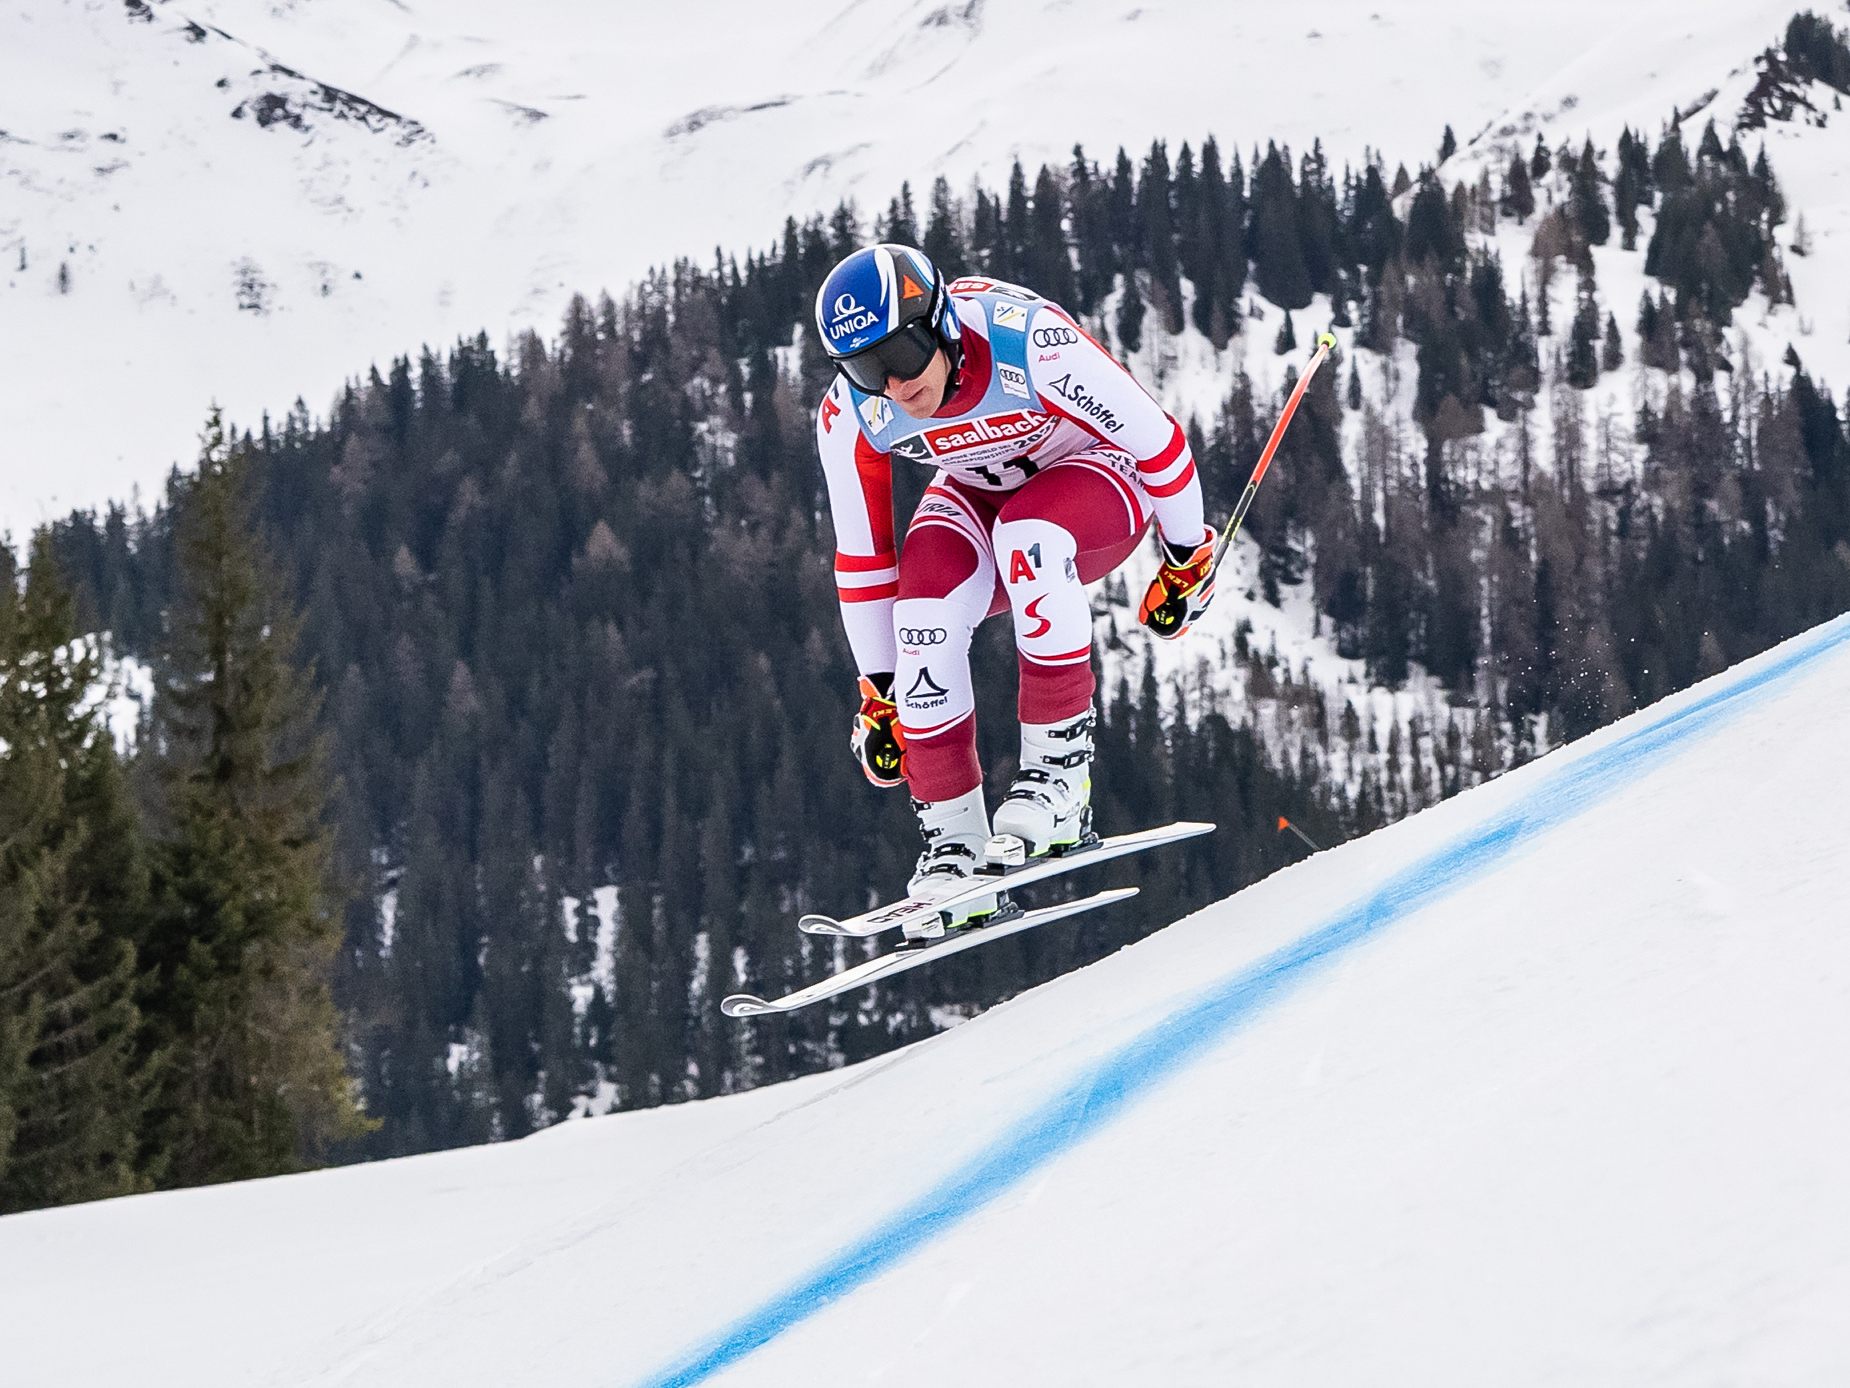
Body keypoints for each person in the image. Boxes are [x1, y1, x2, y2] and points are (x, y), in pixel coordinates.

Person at [812, 243, 1219, 940]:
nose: (891, 386)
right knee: (921, 608)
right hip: (980, 488)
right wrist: (880, 692)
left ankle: (1060, 781)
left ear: (939, 322)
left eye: (902, 357)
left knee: (1028, 537)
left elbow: (1155, 440)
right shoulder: (853, 413)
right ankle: (953, 843)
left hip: (1097, 474)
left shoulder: (1026, 341)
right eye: (862, 367)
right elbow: (864, 561)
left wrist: (1186, 556)